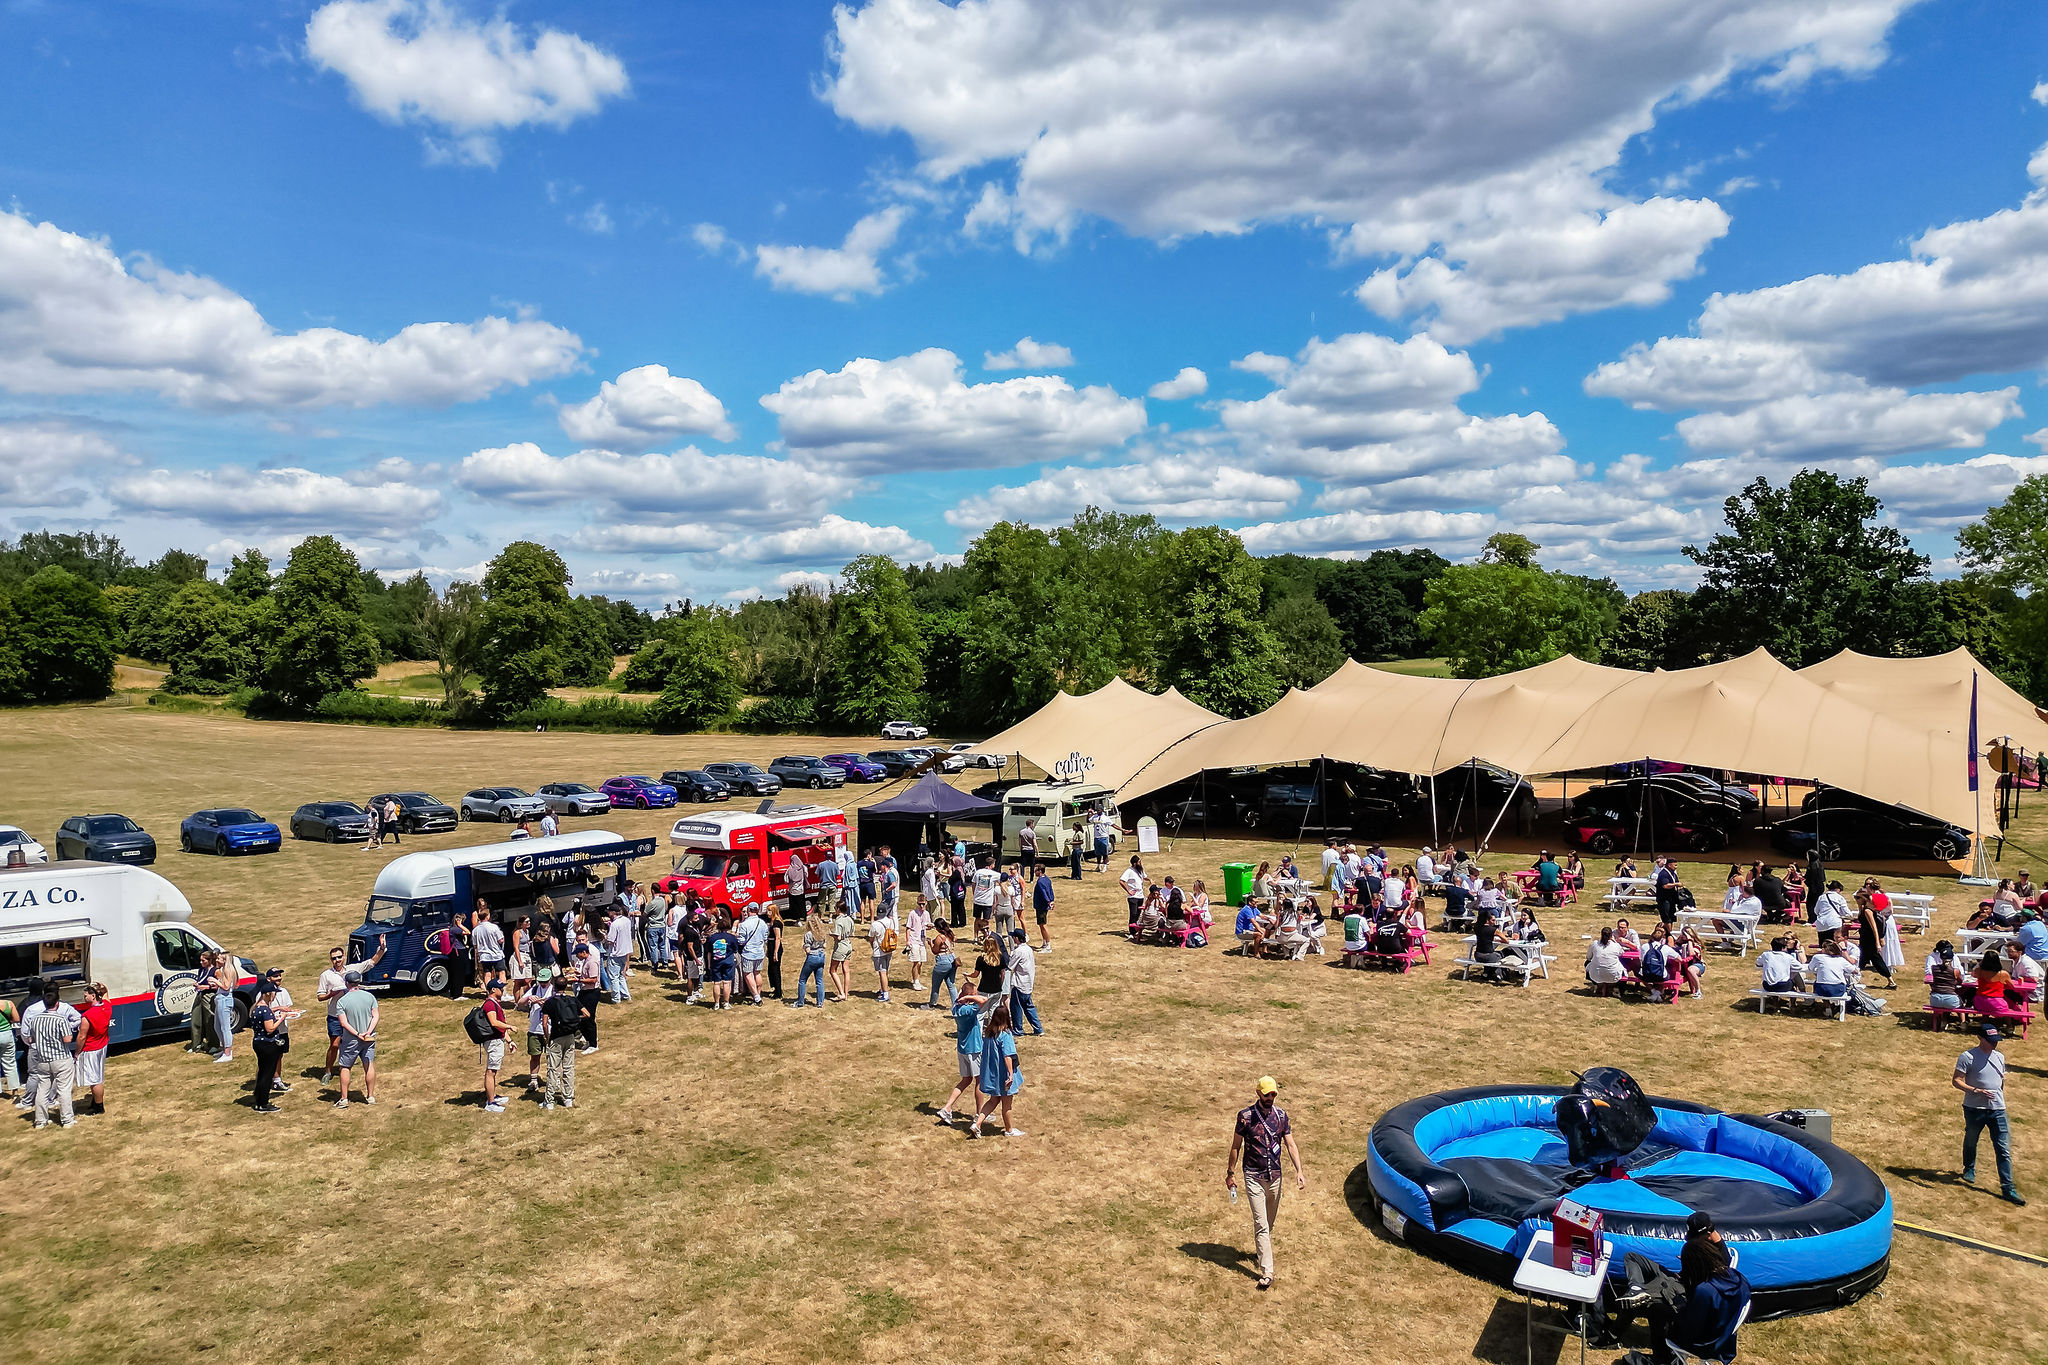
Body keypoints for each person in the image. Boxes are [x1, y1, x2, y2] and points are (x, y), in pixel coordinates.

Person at [1619, 1211, 1752, 1365]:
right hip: (1725, 1337)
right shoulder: (1738, 1277)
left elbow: (1689, 1326)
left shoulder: (1705, 1291)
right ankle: (1641, 1291)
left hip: (1705, 1343)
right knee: (1661, 1299)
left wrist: (1677, 1309)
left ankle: (1661, 1359)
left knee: (1656, 1309)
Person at [1224, 1076, 1304, 1291]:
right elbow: (1235, 1146)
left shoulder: (1281, 1116)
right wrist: (1230, 1173)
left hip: (1275, 1177)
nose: (1271, 1097)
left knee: (1268, 1223)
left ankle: (1261, 1250)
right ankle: (1267, 1272)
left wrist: (1299, 1171)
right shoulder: (1245, 1117)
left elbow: (1290, 1144)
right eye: (1267, 1094)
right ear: (1258, 1093)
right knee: (1261, 1223)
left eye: (1274, 1094)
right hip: (1253, 1176)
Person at [1955, 1024, 2025, 1204]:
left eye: (1996, 1041)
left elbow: (2000, 1081)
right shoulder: (1968, 1057)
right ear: (1981, 1038)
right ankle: (1969, 1168)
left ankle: (2008, 1188)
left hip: (1997, 1110)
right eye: (1991, 1041)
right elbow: (1956, 1080)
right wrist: (1976, 1090)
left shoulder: (2000, 1057)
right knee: (1971, 1139)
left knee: (2003, 1148)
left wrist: (1999, 1097)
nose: (1995, 1045)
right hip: (1974, 1109)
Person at [319, 938, 384, 1083]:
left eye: (339, 957)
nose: (337, 960)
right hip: (335, 1015)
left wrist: (382, 947)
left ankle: (346, 1067)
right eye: (334, 958)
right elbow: (320, 997)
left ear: (344, 957)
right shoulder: (326, 975)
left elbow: (372, 962)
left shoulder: (353, 969)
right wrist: (331, 994)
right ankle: (328, 1071)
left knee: (355, 1043)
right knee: (335, 1044)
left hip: (352, 1016)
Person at [20, 980, 80, 1129]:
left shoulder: (35, 1020)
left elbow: (30, 1038)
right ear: (57, 1003)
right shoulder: (61, 1019)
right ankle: (67, 1120)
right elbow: (67, 1039)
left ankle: (40, 1121)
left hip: (42, 1059)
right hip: (60, 1058)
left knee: (42, 1090)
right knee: (64, 1090)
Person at [932, 976, 986, 1126]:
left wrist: (965, 994)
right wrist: (971, 996)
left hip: (962, 1048)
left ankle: (947, 1108)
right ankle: (979, 1113)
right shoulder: (969, 1010)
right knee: (979, 1081)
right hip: (974, 1048)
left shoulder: (955, 1007)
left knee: (966, 1080)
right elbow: (984, 1000)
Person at [970, 998, 1024, 1138]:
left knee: (993, 1100)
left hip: (993, 1074)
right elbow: (1008, 1056)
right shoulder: (1005, 1035)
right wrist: (1011, 1075)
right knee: (1007, 1103)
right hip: (1003, 1075)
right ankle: (1009, 1130)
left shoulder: (988, 1034)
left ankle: (977, 1124)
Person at [332, 971, 379, 1108]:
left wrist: (358, 1034)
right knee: (368, 1064)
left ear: (347, 983)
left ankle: (344, 1098)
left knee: (345, 1067)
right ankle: (370, 1096)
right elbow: (375, 1016)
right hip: (369, 1038)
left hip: (351, 1040)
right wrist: (368, 1032)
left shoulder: (342, 1001)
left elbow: (343, 1023)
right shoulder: (370, 997)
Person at [247, 978, 294, 1114]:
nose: (275, 995)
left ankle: (259, 1099)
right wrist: (282, 1017)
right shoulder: (265, 1011)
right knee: (267, 1075)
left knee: (262, 1072)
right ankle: (263, 1103)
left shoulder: (257, 1008)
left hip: (258, 1043)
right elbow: (270, 1028)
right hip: (267, 1045)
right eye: (274, 993)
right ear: (269, 994)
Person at [540, 976, 584, 1110]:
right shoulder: (572, 999)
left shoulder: (550, 1003)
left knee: (553, 1069)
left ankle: (550, 1100)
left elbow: (544, 1023)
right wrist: (576, 1018)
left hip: (556, 1037)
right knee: (569, 1068)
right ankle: (568, 1098)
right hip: (570, 1036)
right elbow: (586, 1014)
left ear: (554, 986)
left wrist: (547, 1038)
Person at [73, 982, 112, 1115]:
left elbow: (81, 1037)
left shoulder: (87, 1016)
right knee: (98, 1075)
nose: (84, 998)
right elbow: (106, 995)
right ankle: (95, 1102)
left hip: (90, 1050)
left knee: (95, 1080)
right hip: (102, 1046)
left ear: (93, 996)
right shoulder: (107, 1007)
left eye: (86, 996)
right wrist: (103, 987)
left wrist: (77, 1052)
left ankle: (99, 1106)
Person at [477, 978, 512, 1112]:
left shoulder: (494, 1003)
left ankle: (493, 1096)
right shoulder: (490, 1005)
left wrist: (509, 1040)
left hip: (498, 1040)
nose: (502, 990)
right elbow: (494, 1023)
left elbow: (499, 1026)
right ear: (493, 990)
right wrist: (510, 1026)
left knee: (494, 1070)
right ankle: (490, 1103)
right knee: (491, 1072)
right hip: (493, 1042)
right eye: (500, 988)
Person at [1005, 929, 1043, 1035]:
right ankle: (1038, 1028)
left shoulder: (1018, 951)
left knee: (1016, 1007)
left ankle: (1018, 1030)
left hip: (1019, 983)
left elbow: (1009, 966)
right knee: (1028, 1006)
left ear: (1016, 938)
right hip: (1028, 982)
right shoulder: (1029, 949)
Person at [792, 909, 829, 1008]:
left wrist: (804, 947)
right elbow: (825, 945)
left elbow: (808, 950)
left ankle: (800, 1002)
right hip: (821, 956)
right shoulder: (822, 933)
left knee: (802, 980)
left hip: (812, 957)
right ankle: (820, 1002)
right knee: (819, 981)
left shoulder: (808, 934)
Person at [734, 902, 769, 1006]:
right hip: (759, 952)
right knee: (757, 973)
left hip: (748, 952)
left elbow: (741, 941)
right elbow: (765, 937)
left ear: (749, 910)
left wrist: (736, 937)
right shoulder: (763, 923)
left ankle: (756, 997)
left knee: (748, 974)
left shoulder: (744, 924)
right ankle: (758, 994)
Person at [705, 913, 740, 1011]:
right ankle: (726, 1003)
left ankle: (716, 1003)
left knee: (716, 983)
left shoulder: (712, 937)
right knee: (727, 983)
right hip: (728, 962)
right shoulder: (731, 937)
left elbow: (709, 952)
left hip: (715, 962)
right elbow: (735, 950)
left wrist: (708, 964)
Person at [925, 923, 960, 1009]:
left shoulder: (939, 938)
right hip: (952, 959)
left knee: (936, 984)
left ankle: (932, 1004)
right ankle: (955, 1005)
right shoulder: (950, 935)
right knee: (951, 985)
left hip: (943, 961)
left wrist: (930, 944)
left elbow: (935, 951)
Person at [1585, 928, 1627, 997]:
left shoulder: (1595, 944)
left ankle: (1599, 986)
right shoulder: (1616, 946)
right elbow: (1622, 953)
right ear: (1611, 936)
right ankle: (1611, 987)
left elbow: (1588, 957)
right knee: (1621, 965)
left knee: (1587, 963)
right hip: (1613, 975)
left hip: (1596, 975)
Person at [829, 898, 857, 1002]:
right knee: (846, 970)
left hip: (840, 947)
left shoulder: (838, 921)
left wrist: (831, 934)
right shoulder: (849, 919)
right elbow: (852, 932)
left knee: (832, 970)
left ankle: (841, 993)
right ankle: (846, 993)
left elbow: (838, 937)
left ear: (838, 909)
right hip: (848, 945)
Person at [903, 896, 932, 993]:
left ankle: (918, 981)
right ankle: (915, 981)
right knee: (916, 962)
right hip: (914, 940)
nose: (922, 906)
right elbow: (908, 928)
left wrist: (929, 927)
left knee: (921, 962)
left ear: (926, 903)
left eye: (923, 904)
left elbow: (926, 926)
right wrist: (908, 941)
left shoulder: (927, 914)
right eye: (920, 904)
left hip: (922, 940)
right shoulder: (912, 914)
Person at [1928, 941, 1967, 1011]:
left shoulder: (1934, 968)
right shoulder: (1932, 958)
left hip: (1936, 997)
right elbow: (1960, 978)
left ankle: (1944, 1017)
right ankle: (1963, 1020)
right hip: (1949, 992)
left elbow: (1960, 971)